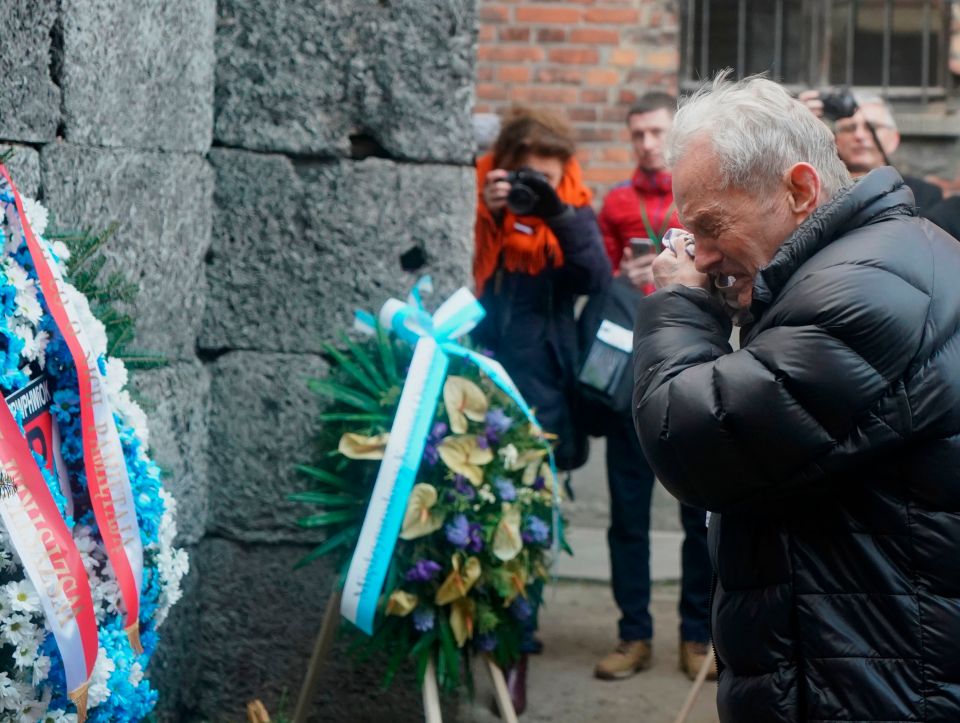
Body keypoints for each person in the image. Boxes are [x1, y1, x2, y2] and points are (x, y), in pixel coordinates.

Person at [634, 73, 960, 721]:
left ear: (801, 189)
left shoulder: (864, 288)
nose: (697, 254)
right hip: (866, 665)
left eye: (709, 225)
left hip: (878, 687)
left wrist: (677, 305)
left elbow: (695, 441)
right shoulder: (871, 258)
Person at [473, 106, 611, 714]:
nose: (536, 190)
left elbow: (596, 278)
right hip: (474, 390)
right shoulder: (481, 207)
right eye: (526, 178)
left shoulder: (570, 211)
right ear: (503, 171)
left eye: (548, 180)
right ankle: (473, 631)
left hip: (544, 398)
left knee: (526, 534)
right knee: (469, 521)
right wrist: (487, 212)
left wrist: (558, 212)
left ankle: (516, 649)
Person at [593, 92, 713, 683]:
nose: (645, 143)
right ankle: (633, 635)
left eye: (655, 132)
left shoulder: (696, 195)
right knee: (628, 516)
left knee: (700, 515)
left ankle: (698, 636)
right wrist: (622, 274)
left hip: (692, 367)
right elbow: (595, 279)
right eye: (636, 133)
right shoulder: (614, 201)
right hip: (629, 374)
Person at [802, 90, 943, 213]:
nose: (859, 135)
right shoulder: (818, 192)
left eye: (872, 127)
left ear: (893, 139)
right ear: (835, 139)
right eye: (849, 128)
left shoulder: (924, 195)